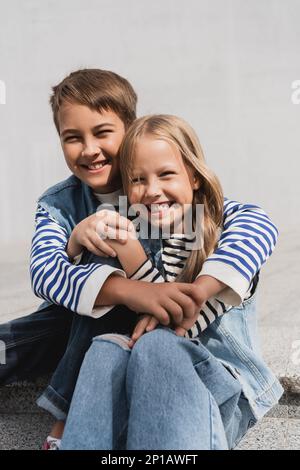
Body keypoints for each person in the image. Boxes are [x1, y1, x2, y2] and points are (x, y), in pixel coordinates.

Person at [0, 70, 279, 449]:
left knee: (143, 340)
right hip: (92, 333)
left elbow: (253, 223)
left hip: (187, 356)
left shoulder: (191, 212)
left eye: (102, 133)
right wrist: (79, 248)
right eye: (72, 138)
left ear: (130, 132)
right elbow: (46, 274)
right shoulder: (59, 204)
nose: (89, 149)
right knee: (74, 333)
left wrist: (185, 291)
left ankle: (65, 416)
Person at [61, 114, 283, 450]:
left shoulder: (222, 229)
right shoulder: (144, 231)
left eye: (165, 174)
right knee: (107, 348)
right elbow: (160, 301)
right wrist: (123, 249)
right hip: (155, 391)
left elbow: (260, 228)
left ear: (193, 176)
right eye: (136, 180)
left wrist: (198, 291)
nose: (151, 191)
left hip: (221, 390)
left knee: (157, 344)